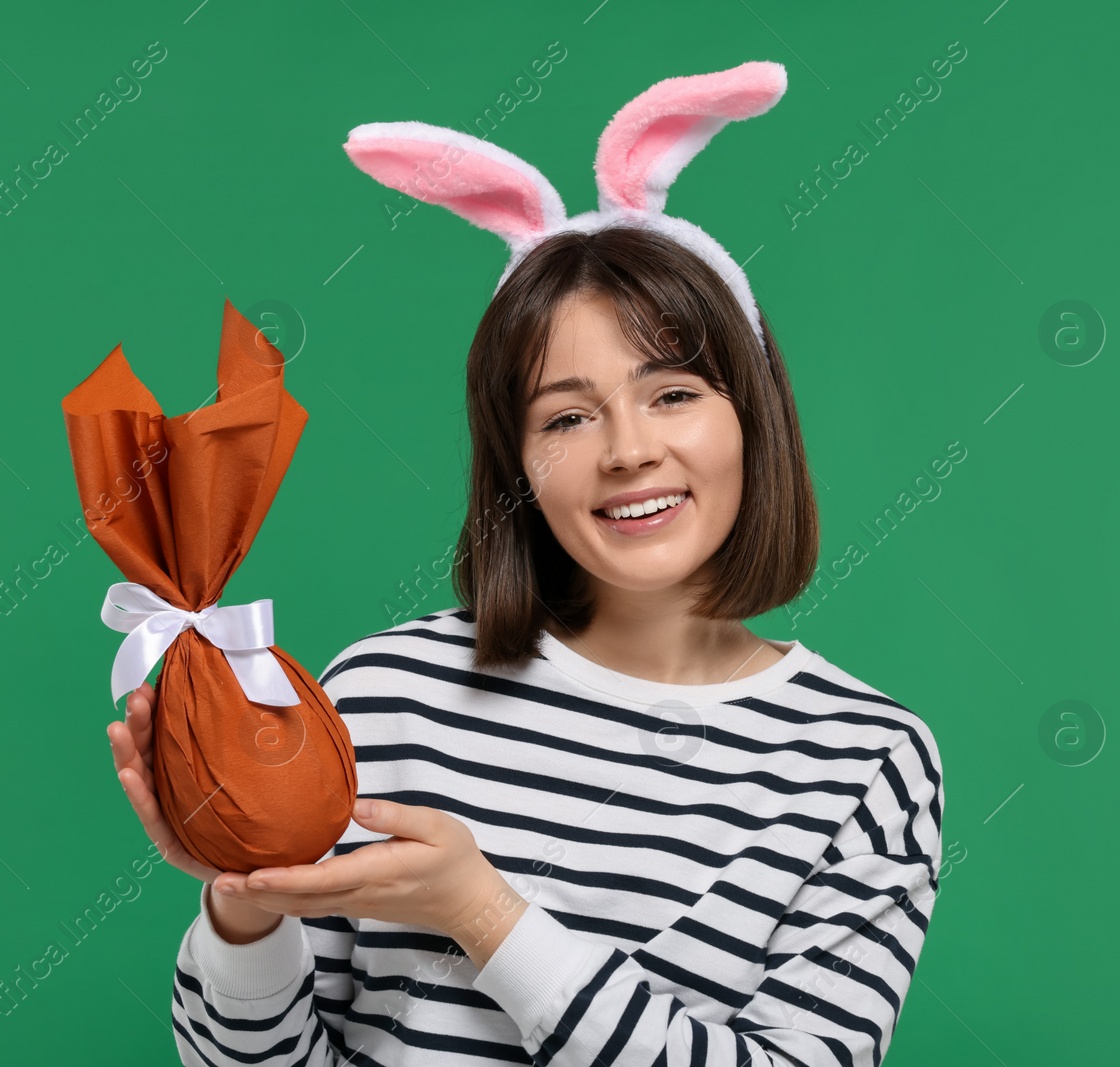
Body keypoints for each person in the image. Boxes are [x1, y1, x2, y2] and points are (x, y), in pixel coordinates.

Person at [108, 224, 945, 1066]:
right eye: (569, 417)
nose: (628, 451)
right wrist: (246, 902)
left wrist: (481, 913)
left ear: (754, 415)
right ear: (518, 465)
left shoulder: (864, 761)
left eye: (674, 394)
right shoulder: (385, 693)